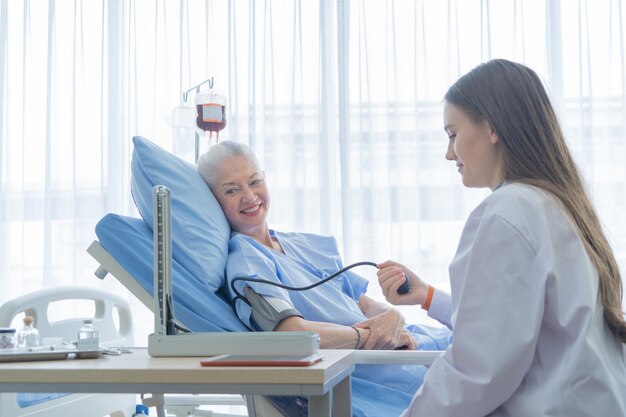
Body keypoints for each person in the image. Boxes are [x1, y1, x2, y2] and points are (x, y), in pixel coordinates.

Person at [377, 59, 626, 417]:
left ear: (491, 127)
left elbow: (478, 372)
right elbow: (526, 321)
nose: (449, 154)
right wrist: (428, 297)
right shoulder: (555, 205)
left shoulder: (506, 212)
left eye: (452, 134)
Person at [197, 140, 452, 417]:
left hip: (414, 345)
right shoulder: (247, 262)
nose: (249, 196)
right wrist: (368, 337)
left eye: (254, 181)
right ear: (215, 201)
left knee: (483, 338)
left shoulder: (304, 244)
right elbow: (291, 334)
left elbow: (365, 304)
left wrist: (391, 317)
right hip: (376, 373)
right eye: (232, 190)